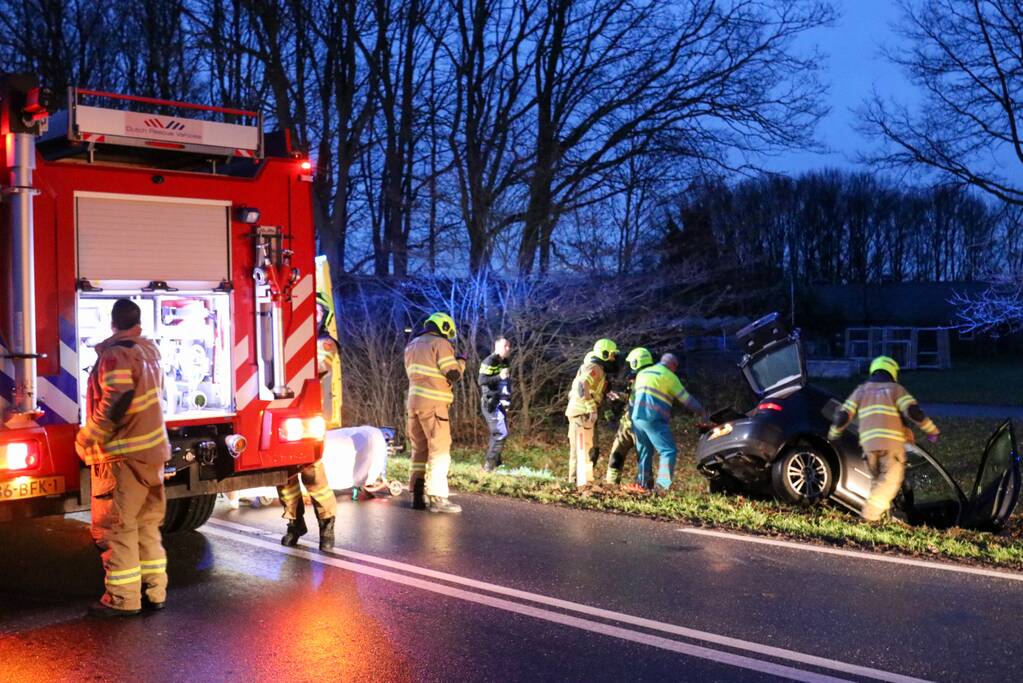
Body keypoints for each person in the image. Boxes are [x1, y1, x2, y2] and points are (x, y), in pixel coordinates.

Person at [75, 298, 171, 617]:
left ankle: (122, 599)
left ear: (113, 322)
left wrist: (88, 436)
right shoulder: (149, 350)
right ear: (138, 322)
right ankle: (154, 591)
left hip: (124, 456)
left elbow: (117, 399)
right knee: (146, 526)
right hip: (153, 454)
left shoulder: (116, 354)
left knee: (117, 528)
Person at [829, 355, 940, 522]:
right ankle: (869, 518)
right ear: (892, 373)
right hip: (890, 446)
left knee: (878, 484)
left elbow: (843, 415)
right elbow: (913, 411)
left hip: (869, 449)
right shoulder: (895, 389)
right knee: (890, 482)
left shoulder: (861, 391)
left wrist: (834, 433)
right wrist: (931, 431)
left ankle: (884, 518)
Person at [278, 299, 339, 551]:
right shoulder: (285, 340)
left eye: (318, 312)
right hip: (283, 412)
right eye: (310, 310)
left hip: (310, 414)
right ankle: (294, 523)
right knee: (283, 471)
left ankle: (327, 526)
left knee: (312, 471)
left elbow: (319, 367)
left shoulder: (325, 342)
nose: (313, 315)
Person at [405, 312, 465, 513]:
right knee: (439, 451)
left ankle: (417, 495)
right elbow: (453, 373)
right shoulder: (440, 343)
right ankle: (438, 497)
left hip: (414, 404)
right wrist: (461, 362)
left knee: (419, 450)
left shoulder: (412, 345)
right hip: (434, 405)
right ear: (444, 327)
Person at [631, 353, 707, 492]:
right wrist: (702, 412)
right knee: (668, 451)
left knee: (644, 451)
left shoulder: (642, 373)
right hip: (653, 418)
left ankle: (642, 484)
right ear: (673, 365)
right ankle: (662, 486)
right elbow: (686, 400)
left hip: (637, 417)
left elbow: (633, 397)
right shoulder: (669, 376)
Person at [565, 338, 619, 488]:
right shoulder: (594, 367)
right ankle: (576, 485)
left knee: (591, 451)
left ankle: (585, 482)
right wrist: (591, 407)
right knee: (581, 450)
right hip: (581, 414)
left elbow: (592, 392)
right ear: (605, 354)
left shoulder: (599, 370)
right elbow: (583, 385)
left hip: (585, 415)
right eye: (612, 355)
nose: (614, 359)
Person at [605, 347, 654, 485]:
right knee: (616, 455)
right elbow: (633, 397)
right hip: (627, 424)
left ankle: (645, 488)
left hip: (640, 427)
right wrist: (619, 396)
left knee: (643, 459)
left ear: (635, 362)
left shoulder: (650, 380)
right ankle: (611, 485)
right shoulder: (640, 379)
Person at [478, 337, 512, 472]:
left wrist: (506, 400)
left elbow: (505, 383)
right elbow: (481, 380)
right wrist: (499, 377)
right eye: (505, 346)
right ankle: (489, 467)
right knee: (500, 434)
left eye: (509, 346)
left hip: (499, 402)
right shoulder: (489, 361)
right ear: (497, 347)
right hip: (490, 403)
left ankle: (496, 464)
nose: (508, 348)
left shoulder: (505, 362)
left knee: (497, 434)